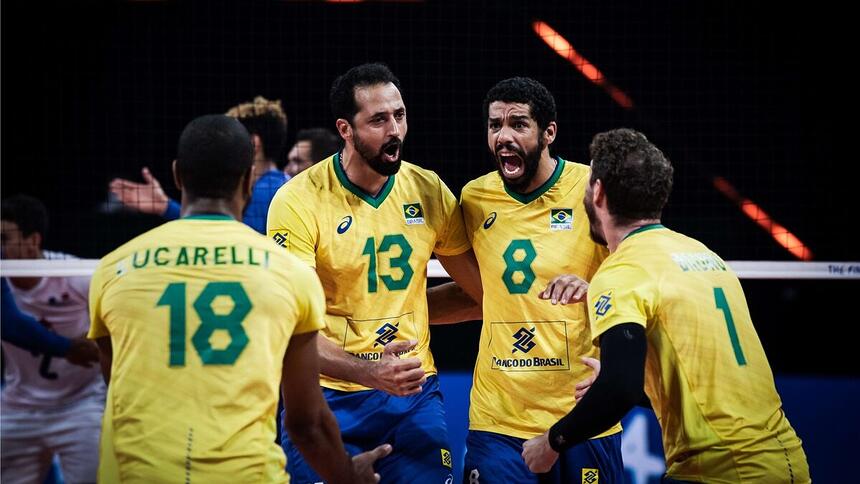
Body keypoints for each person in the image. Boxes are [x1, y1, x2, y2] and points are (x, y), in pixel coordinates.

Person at [88, 114, 389, 483]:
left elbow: (116, 382)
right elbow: (305, 423)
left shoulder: (112, 270)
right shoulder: (290, 275)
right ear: (248, 179)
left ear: (178, 175)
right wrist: (345, 473)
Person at [521, 128, 811, 483]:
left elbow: (618, 390)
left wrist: (551, 443)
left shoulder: (621, 271)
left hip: (720, 469)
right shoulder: (704, 256)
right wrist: (641, 384)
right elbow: (704, 379)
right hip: (787, 461)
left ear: (598, 192)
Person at [267, 62, 482, 484]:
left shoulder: (429, 190)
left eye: (399, 115)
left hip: (412, 393)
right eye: (379, 120)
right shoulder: (297, 201)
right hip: (326, 395)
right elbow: (290, 328)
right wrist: (367, 371)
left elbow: (482, 295)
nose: (395, 130)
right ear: (345, 129)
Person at [452, 77, 623, 483]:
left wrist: (595, 291)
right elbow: (476, 292)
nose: (503, 136)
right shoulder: (474, 199)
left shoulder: (592, 191)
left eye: (518, 124)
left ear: (549, 133)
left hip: (583, 413)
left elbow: (642, 278)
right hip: (499, 420)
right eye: (495, 126)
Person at [1, 194, 105, 484]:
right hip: (18, 406)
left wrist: (102, 341)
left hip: (81, 404)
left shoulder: (76, 275)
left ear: (32, 241)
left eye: (4, 238)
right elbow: (10, 324)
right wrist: (70, 347)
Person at [109, 96, 289, 234]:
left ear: (253, 143)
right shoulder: (278, 184)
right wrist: (165, 206)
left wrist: (168, 208)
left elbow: (227, 240)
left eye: (231, 137)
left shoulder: (265, 191)